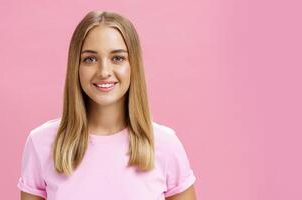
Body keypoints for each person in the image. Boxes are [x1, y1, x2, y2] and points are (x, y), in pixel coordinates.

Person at [18, 10, 197, 200]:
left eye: (117, 58)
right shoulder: (41, 143)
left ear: (133, 66)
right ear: (76, 67)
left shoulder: (165, 145)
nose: (104, 71)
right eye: (90, 59)